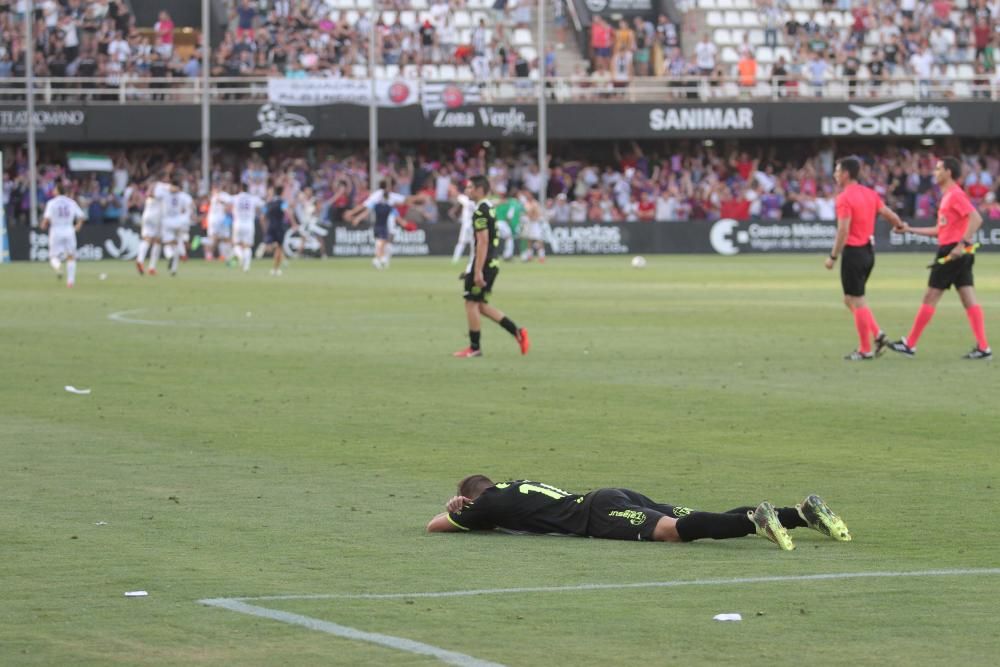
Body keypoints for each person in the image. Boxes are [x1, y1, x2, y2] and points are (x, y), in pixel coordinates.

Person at [427, 475, 852, 551]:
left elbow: (435, 526)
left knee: (672, 532)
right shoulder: (511, 488)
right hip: (613, 494)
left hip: (599, 513)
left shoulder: (491, 504)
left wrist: (456, 508)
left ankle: (753, 521)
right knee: (696, 517)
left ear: (472, 499)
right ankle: (799, 513)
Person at [888, 158, 991, 360]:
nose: (934, 172)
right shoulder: (947, 197)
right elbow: (939, 231)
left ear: (949, 172)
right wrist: (909, 229)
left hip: (952, 252)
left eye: (938, 169)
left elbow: (976, 219)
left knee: (930, 297)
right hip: (959, 251)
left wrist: (960, 245)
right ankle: (984, 348)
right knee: (968, 299)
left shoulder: (955, 195)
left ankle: (910, 344)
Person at [824, 157, 904, 360]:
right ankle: (877, 334)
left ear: (845, 174)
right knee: (850, 299)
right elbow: (888, 213)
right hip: (869, 252)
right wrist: (898, 224)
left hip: (853, 252)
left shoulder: (844, 198)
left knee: (857, 300)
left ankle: (865, 349)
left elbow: (843, 230)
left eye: (837, 171)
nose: (835, 175)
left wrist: (833, 256)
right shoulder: (870, 194)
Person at [453, 176, 531, 358]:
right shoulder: (489, 207)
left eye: (470, 187)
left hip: (484, 264)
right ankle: (518, 332)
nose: (467, 191)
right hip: (492, 263)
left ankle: (474, 348)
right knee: (480, 305)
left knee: (471, 303)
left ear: (480, 189)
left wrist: (477, 270)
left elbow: (482, 241)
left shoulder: (480, 211)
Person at [41, 185, 86, 288]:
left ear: (57, 191)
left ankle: (58, 267)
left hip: (56, 230)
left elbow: (47, 218)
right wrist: (78, 225)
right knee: (71, 256)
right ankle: (70, 282)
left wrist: (43, 224)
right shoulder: (71, 202)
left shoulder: (51, 203)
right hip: (69, 230)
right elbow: (82, 216)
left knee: (53, 256)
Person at [135, 177, 172, 275]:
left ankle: (140, 259)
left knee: (146, 239)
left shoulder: (149, 192)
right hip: (157, 217)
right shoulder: (162, 189)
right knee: (157, 241)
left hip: (146, 216)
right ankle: (152, 267)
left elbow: (149, 194)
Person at [160, 180, 194, 277]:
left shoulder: (165, 193)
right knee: (177, 243)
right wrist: (189, 215)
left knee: (167, 244)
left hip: (167, 222)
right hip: (179, 222)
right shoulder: (184, 195)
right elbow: (191, 205)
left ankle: (169, 255)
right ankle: (174, 269)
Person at [262, 186, 298, 276]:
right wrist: (293, 223)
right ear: (282, 192)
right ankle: (275, 269)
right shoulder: (282, 202)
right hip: (279, 227)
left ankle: (268, 246)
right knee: (279, 247)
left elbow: (262, 216)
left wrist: (264, 227)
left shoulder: (269, 202)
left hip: (270, 226)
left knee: (271, 246)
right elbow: (288, 212)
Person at [231, 183, 265, 273]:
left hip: (238, 223)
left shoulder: (236, 197)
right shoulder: (253, 198)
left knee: (236, 244)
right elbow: (263, 204)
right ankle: (246, 267)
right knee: (248, 246)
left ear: (240, 188)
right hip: (249, 224)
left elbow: (225, 201)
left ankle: (240, 257)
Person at [204, 185, 233, 262]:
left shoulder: (221, 195)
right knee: (216, 238)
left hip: (218, 219)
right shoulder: (217, 196)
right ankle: (209, 254)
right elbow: (229, 208)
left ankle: (223, 256)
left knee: (221, 238)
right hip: (216, 219)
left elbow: (228, 207)